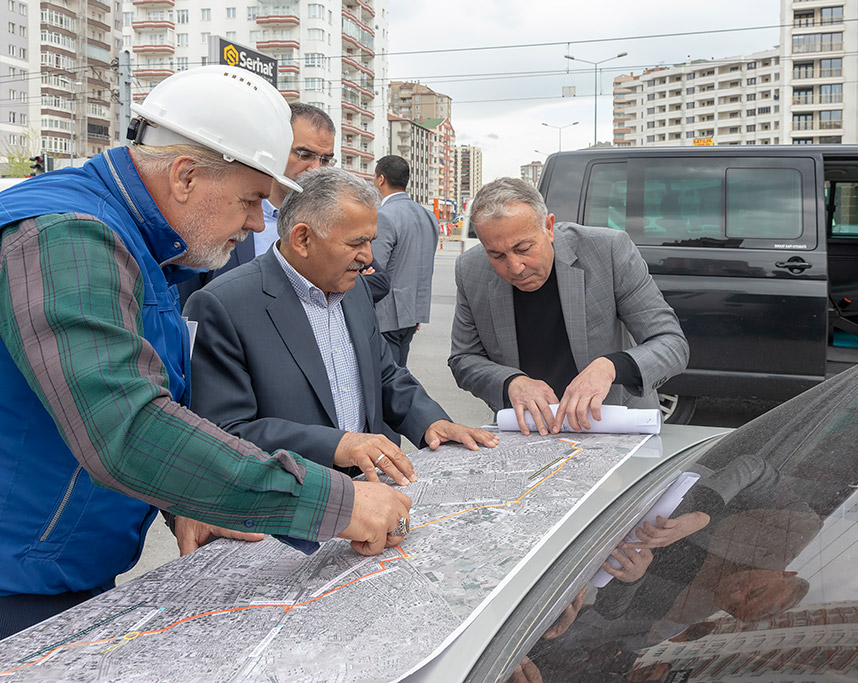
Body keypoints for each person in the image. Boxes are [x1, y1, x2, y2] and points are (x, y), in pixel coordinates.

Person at [0, 66, 410, 639]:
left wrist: (182, 496)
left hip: (57, 568)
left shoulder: (142, 243)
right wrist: (336, 505)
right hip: (16, 582)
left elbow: (156, 398)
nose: (253, 222)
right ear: (187, 175)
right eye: (249, 201)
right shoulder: (66, 235)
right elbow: (126, 429)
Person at [183, 166, 498, 483]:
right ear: (303, 239)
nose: (368, 256)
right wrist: (336, 444)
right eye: (357, 243)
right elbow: (225, 431)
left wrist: (429, 422)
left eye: (371, 241)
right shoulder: (223, 305)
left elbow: (384, 374)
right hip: (291, 501)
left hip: (369, 488)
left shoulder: (354, 288)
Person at [448, 177, 689, 435]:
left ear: (549, 228)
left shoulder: (608, 251)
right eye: (497, 255)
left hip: (611, 426)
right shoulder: (470, 270)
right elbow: (464, 358)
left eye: (524, 248)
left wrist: (609, 367)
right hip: (528, 430)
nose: (515, 267)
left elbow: (671, 343)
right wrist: (511, 382)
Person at [176, 103, 389, 305]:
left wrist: (323, 291)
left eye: (325, 160)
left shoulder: (330, 217)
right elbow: (188, 296)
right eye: (305, 155)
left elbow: (379, 281)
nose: (316, 168)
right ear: (275, 149)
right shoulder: (223, 213)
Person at [373, 155, 440, 366]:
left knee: (387, 378)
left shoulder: (383, 216)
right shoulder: (428, 216)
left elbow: (374, 268)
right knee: (400, 372)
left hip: (386, 314)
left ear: (380, 179)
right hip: (414, 309)